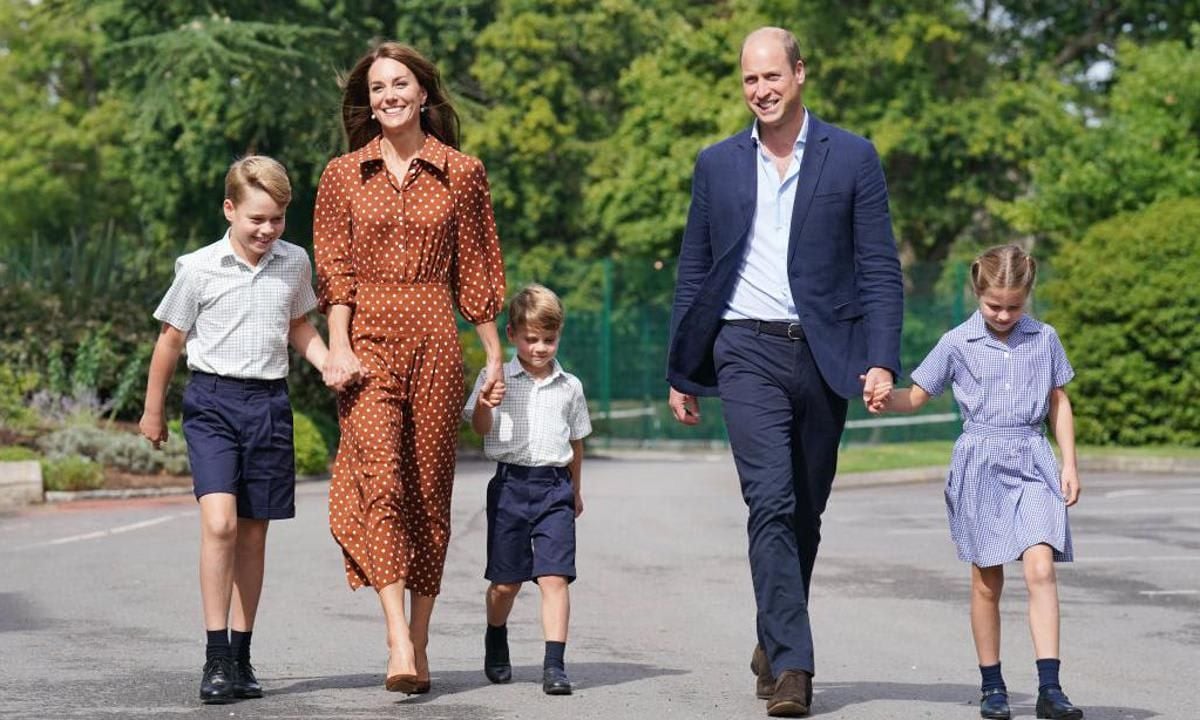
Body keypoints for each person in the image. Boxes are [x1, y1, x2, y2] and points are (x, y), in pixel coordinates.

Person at [666, 26, 904, 717]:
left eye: (772, 76)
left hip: (827, 354)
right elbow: (694, 270)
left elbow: (879, 267)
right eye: (749, 80)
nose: (761, 91)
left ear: (800, 73)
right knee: (768, 501)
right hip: (744, 350)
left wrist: (882, 358)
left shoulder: (852, 157)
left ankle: (773, 636)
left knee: (805, 508)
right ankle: (795, 669)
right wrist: (683, 366)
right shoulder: (716, 165)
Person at [312, 41, 506, 696]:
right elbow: (334, 275)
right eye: (377, 88)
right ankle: (397, 634)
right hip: (366, 344)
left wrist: (495, 353)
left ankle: (420, 637)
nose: (388, 96)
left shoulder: (463, 172)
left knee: (428, 491)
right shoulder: (343, 175)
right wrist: (337, 345)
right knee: (382, 482)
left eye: (400, 84)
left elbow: (476, 270)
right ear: (368, 102)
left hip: (436, 342)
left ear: (424, 93)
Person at [138, 155, 329, 704]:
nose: (267, 230)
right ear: (230, 209)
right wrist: (153, 412)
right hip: (213, 403)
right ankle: (216, 656)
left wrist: (329, 362)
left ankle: (243, 656)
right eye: (256, 219)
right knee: (219, 524)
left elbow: (298, 324)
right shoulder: (197, 267)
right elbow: (170, 341)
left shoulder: (294, 263)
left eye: (277, 219)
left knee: (252, 531)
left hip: (269, 404)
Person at [870, 244, 1084, 720]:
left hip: (1032, 458)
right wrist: (886, 397)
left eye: (1014, 306)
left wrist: (1069, 463)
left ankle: (1050, 689)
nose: (1004, 314)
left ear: (1027, 297)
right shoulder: (955, 342)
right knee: (987, 581)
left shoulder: (1044, 338)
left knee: (1041, 568)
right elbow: (918, 396)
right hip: (981, 462)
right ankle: (993, 686)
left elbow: (1058, 402)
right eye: (994, 305)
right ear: (977, 293)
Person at [463, 284, 591, 696]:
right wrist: (486, 401)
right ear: (512, 335)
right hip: (510, 487)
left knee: (555, 578)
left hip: (554, 488)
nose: (540, 348)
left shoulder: (569, 386)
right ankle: (496, 634)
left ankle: (554, 664)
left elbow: (576, 442)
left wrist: (575, 489)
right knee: (506, 584)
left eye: (549, 340)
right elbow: (479, 429)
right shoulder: (495, 377)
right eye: (531, 339)